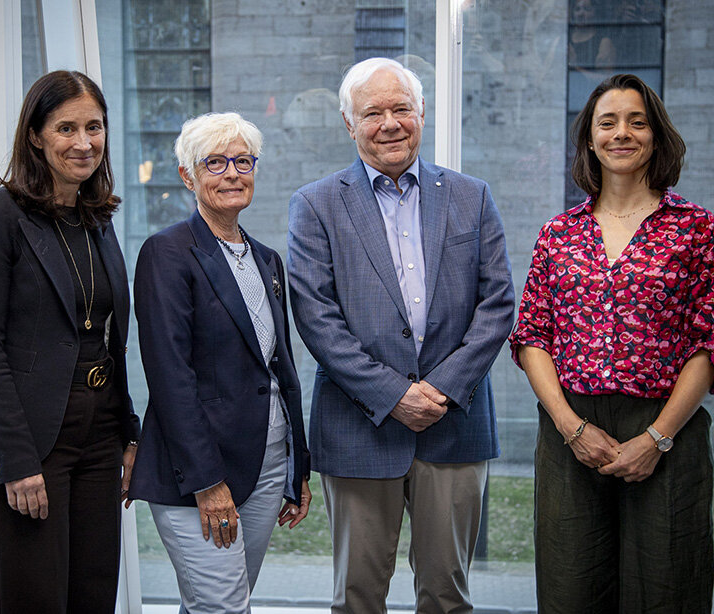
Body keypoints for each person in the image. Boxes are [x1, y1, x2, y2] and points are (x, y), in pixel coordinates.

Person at [287, 57, 515, 613]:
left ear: (420, 114)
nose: (389, 123)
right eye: (372, 112)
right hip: (359, 428)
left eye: (401, 108)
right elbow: (316, 316)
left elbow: (498, 303)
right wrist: (393, 395)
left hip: (453, 422)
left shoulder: (471, 196)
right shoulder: (315, 204)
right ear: (348, 123)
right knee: (358, 596)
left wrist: (439, 390)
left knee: (446, 593)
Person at [510, 73, 714, 613]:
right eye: (608, 122)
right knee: (570, 587)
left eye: (637, 121)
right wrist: (570, 427)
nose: (622, 133)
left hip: (667, 429)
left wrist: (657, 438)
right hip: (571, 431)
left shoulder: (696, 229)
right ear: (590, 139)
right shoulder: (559, 232)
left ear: (656, 136)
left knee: (667, 589)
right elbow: (532, 336)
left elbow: (707, 343)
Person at [0, 70, 141, 613]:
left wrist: (128, 434)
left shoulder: (97, 219)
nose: (84, 142)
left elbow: (106, 339)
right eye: (66, 128)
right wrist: (16, 460)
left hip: (98, 437)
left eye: (94, 127)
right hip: (24, 441)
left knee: (93, 598)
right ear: (35, 135)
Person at [128, 112, 311, 614]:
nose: (232, 172)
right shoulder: (167, 253)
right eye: (215, 162)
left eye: (243, 160)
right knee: (223, 606)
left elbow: (280, 370)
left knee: (219, 603)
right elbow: (169, 376)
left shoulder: (267, 259)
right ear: (188, 176)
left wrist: (297, 467)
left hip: (267, 463)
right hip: (201, 472)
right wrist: (208, 483)